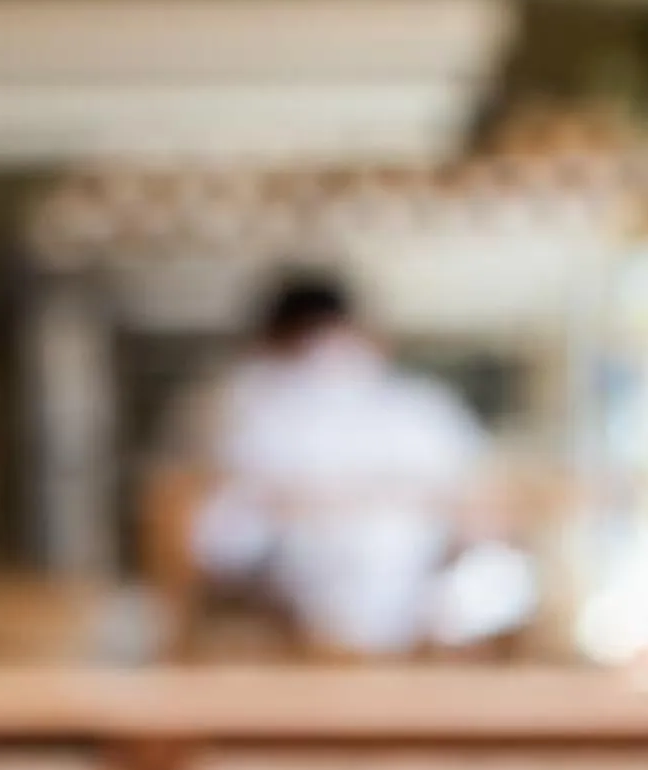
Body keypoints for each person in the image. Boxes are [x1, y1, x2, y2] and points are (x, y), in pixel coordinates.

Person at [177, 273, 494, 656]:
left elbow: (480, 515)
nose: (324, 360)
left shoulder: (420, 409)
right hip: (301, 611)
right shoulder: (245, 403)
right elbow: (215, 539)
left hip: (401, 609)